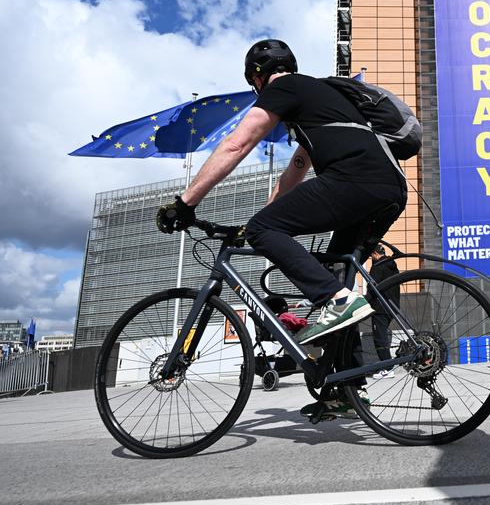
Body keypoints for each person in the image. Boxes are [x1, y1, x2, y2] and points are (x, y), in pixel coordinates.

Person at [156, 39, 408, 353]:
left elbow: (236, 145)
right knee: (334, 271)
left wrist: (185, 203)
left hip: (355, 179)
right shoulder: (317, 102)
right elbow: (295, 170)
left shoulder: (284, 87)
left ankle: (338, 301)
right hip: (390, 188)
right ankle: (345, 380)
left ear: (257, 77)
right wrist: (261, 218)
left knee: (270, 235)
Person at [367, 245, 401, 379]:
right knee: (382, 336)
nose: (371, 258)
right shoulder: (391, 265)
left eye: (371, 255)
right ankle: (386, 365)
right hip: (392, 305)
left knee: (380, 338)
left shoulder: (378, 266)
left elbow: (372, 287)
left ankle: (387, 368)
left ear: (375, 253)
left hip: (380, 307)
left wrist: (365, 302)